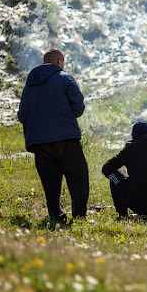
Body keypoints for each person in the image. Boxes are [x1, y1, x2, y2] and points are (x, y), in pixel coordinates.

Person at [17, 48, 88, 224]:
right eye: (63, 62)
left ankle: (57, 217)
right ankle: (79, 217)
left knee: (50, 183)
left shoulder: (30, 85)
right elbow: (79, 107)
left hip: (40, 143)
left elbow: (22, 115)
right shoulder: (65, 79)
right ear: (58, 61)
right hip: (66, 139)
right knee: (78, 177)